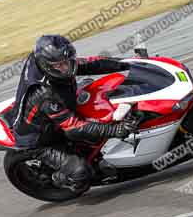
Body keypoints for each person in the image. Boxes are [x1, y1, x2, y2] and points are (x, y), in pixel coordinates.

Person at [9, 35, 137, 192]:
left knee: (95, 89)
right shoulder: (44, 93)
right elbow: (74, 129)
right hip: (40, 140)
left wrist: (126, 64)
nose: (67, 68)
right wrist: (116, 131)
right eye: (60, 65)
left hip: (55, 112)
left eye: (68, 61)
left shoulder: (47, 61)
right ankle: (58, 179)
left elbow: (89, 63)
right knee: (81, 173)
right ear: (47, 66)